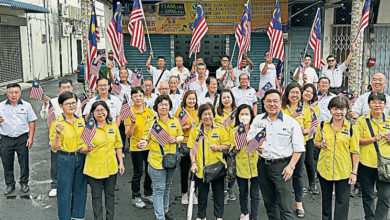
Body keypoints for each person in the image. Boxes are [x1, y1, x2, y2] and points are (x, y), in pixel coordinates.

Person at [247, 89, 305, 220]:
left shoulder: (290, 122)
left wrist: (291, 166)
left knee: (285, 206)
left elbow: (299, 148)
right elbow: (250, 139)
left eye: (275, 101)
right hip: (263, 165)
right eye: (268, 101)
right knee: (269, 203)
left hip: (282, 167)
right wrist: (255, 146)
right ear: (263, 103)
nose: (272, 104)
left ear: (281, 102)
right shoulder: (257, 120)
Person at [137, 95, 184, 220]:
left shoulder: (175, 121)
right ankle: (160, 217)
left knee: (167, 186)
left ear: (170, 106)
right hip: (156, 161)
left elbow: (181, 136)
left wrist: (176, 139)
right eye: (161, 104)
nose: (164, 107)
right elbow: (145, 139)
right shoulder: (151, 123)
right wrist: (141, 143)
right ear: (156, 107)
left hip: (172, 160)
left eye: (166, 104)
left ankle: (165, 211)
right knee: (159, 189)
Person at [314, 96, 359, 220]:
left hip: (344, 171)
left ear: (346, 110)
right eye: (335, 108)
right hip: (324, 169)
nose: (338, 112)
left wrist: (354, 172)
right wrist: (320, 144)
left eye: (342, 109)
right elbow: (316, 141)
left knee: (342, 203)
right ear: (330, 110)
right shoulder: (323, 125)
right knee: (326, 202)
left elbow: (355, 152)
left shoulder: (351, 128)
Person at [84, 101, 125, 220]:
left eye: (103, 110)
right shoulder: (89, 127)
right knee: (96, 197)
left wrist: (120, 163)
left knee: (110, 195)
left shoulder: (112, 126)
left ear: (107, 111)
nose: (100, 113)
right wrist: (86, 148)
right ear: (92, 113)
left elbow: (118, 145)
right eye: (97, 110)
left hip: (111, 167)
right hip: (94, 169)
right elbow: (81, 147)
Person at [188, 103, 230, 220]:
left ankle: (219, 217)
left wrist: (219, 148)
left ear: (213, 114)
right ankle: (201, 216)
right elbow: (192, 149)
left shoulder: (220, 128)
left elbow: (228, 144)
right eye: (204, 114)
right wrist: (193, 163)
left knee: (218, 195)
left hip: (217, 168)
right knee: (202, 196)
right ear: (200, 116)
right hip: (201, 169)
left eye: (210, 113)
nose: (207, 116)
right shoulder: (196, 130)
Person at [40, 78, 81, 197]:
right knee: (55, 161)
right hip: (57, 136)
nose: (66, 89)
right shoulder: (53, 102)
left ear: (72, 88)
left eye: (68, 87)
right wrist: (46, 104)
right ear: (59, 89)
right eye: (63, 88)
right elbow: (43, 116)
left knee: (74, 161)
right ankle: (55, 185)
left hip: (73, 138)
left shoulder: (76, 102)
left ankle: (72, 184)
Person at [49, 92, 87, 220]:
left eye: (74, 103)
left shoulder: (80, 120)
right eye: (68, 104)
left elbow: (85, 140)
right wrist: (58, 134)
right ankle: (64, 217)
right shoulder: (57, 124)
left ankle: (78, 216)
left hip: (81, 157)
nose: (71, 106)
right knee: (64, 191)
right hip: (66, 159)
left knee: (80, 189)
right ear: (61, 106)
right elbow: (54, 148)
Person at [354, 92, 390, 220]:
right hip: (366, 163)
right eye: (374, 102)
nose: (377, 105)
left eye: (380, 102)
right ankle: (369, 217)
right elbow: (356, 140)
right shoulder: (361, 121)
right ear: (369, 104)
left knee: (385, 197)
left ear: (385, 105)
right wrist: (372, 139)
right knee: (368, 195)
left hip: (385, 165)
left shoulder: (389, 120)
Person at [281, 82, 312, 218]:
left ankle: (299, 204)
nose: (295, 95)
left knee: (298, 176)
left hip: (299, 148)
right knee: (283, 176)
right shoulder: (281, 109)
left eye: (297, 92)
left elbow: (310, 130)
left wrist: (302, 131)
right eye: (292, 92)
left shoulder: (305, 110)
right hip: (283, 148)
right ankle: (283, 203)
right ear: (287, 94)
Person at [0, 83, 37, 195]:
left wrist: (30, 137)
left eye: (16, 92)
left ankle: (24, 183)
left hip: (22, 138)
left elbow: (31, 121)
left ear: (20, 93)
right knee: (7, 163)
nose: (14, 95)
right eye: (11, 92)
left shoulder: (26, 105)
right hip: (6, 139)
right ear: (7, 93)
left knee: (24, 162)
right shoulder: (1, 106)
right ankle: (10, 184)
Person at [125, 87, 155, 208]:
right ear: (131, 98)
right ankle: (135, 196)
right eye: (135, 96)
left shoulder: (149, 112)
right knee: (138, 172)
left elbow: (153, 130)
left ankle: (148, 193)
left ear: (144, 97)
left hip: (149, 146)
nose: (138, 98)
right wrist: (132, 123)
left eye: (140, 96)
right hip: (136, 147)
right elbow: (128, 134)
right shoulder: (129, 113)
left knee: (150, 171)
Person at [229, 104, 259, 220]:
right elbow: (231, 151)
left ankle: (254, 216)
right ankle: (244, 212)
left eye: (247, 114)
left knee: (255, 194)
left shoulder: (257, 131)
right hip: (241, 166)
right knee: (243, 192)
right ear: (238, 116)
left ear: (251, 116)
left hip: (256, 165)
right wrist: (236, 147)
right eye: (242, 114)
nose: (244, 116)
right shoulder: (234, 132)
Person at [174, 90, 199, 205]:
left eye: (193, 99)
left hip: (197, 144)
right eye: (189, 99)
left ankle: (193, 193)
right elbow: (175, 128)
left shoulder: (199, 111)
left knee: (196, 171)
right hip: (184, 143)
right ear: (185, 99)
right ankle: (184, 193)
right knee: (184, 171)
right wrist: (187, 126)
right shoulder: (181, 111)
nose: (191, 101)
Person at [214, 89, 237, 203]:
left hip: (234, 146)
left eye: (228, 97)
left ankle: (230, 188)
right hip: (221, 145)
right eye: (224, 98)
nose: (226, 100)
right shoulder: (216, 112)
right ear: (220, 100)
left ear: (232, 98)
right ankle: (223, 191)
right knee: (222, 169)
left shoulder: (237, 112)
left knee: (234, 170)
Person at [301, 83, 320, 195]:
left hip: (308, 137)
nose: (308, 93)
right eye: (306, 91)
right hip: (296, 137)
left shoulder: (314, 107)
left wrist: (308, 131)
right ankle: (296, 184)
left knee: (309, 161)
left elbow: (315, 124)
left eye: (311, 92)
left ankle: (312, 184)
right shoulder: (296, 104)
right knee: (297, 162)